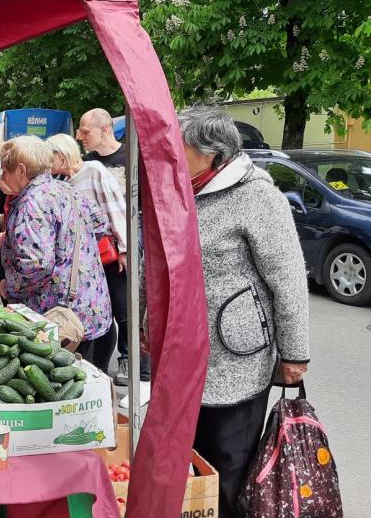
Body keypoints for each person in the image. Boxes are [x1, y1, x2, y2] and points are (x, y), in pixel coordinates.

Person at [178, 105, 309, 518]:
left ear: (210, 152)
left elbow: (288, 279)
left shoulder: (257, 195)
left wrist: (294, 354)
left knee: (230, 461)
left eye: (179, 146)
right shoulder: (182, 191)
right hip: (184, 354)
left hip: (237, 358)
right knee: (192, 457)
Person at [0, 135, 115, 371]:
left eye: (5, 170)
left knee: (67, 393)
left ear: (21, 170)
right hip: (91, 308)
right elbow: (100, 225)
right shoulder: (66, 188)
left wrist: (8, 288)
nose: (3, 177)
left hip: (60, 318)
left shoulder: (32, 203)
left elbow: (36, 265)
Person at [48, 134, 150, 393]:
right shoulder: (62, 180)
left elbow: (115, 209)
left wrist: (126, 249)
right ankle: (111, 368)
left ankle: (140, 369)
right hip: (90, 261)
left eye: (51, 156)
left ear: (62, 155)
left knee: (124, 311)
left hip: (111, 255)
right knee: (103, 314)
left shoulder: (93, 171)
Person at [76, 108, 126, 187]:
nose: (80, 137)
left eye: (85, 132)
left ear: (104, 130)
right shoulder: (85, 162)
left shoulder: (133, 156)